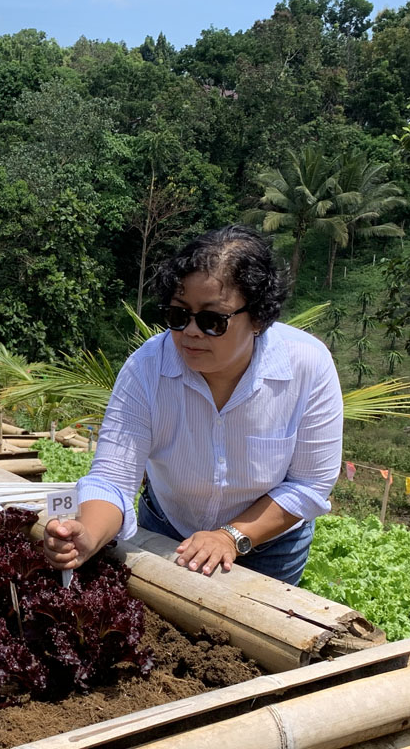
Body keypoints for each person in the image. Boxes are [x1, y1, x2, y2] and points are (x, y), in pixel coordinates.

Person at [44, 225, 343, 585]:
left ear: (260, 318)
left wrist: (229, 536)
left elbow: (310, 485)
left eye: (212, 320)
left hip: (270, 549)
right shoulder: (146, 368)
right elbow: (112, 479)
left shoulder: (307, 366)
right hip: (167, 531)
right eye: (178, 315)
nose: (191, 332)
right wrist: (86, 535)